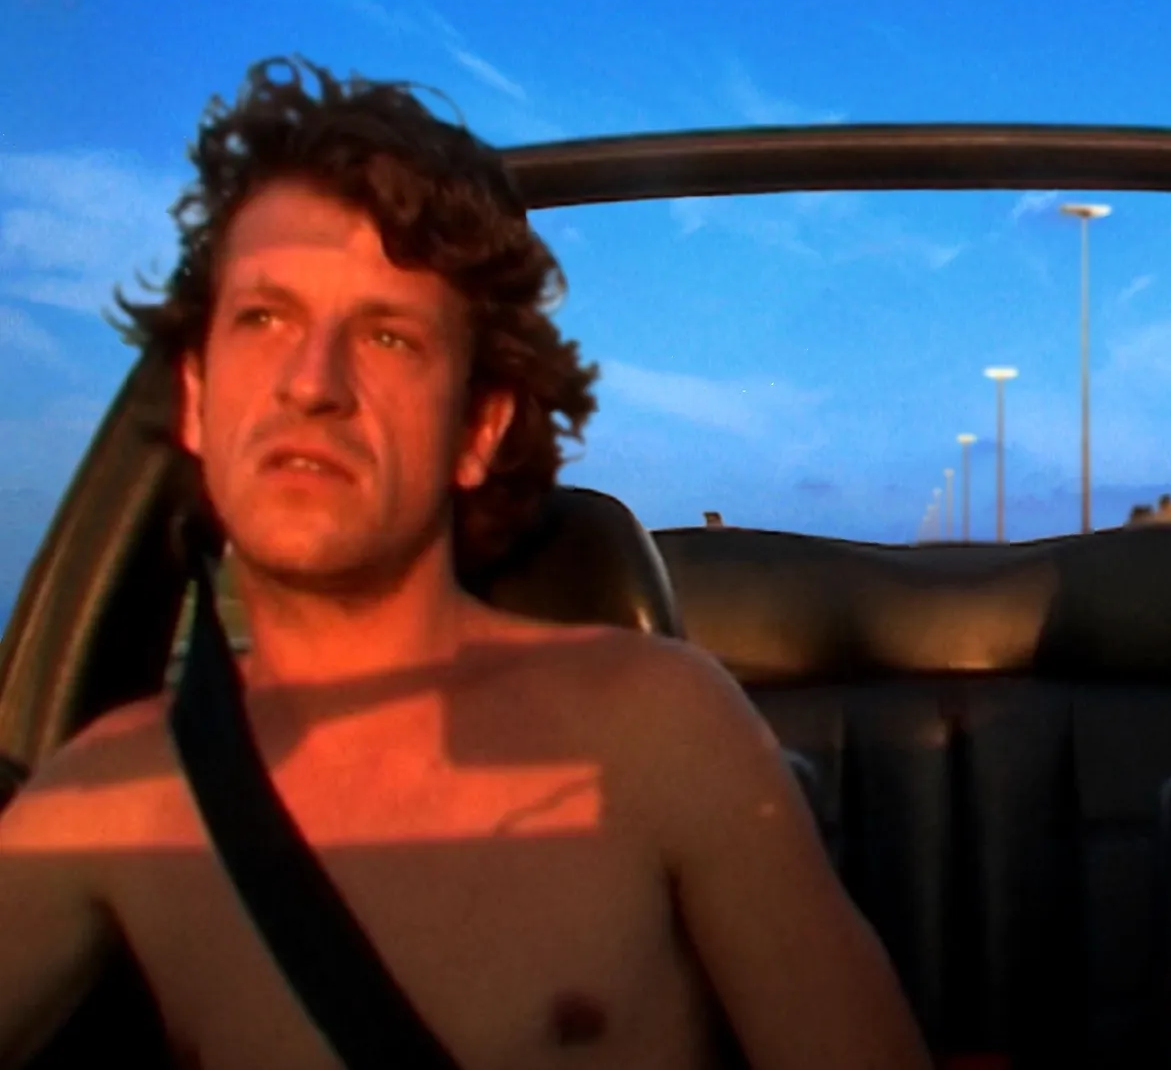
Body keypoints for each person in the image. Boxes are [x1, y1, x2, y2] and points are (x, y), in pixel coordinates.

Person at [0, 57, 931, 1070]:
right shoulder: (108, 797)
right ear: (194, 397)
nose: (310, 383)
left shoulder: (661, 727)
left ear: (477, 429)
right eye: (264, 319)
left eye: (387, 336)